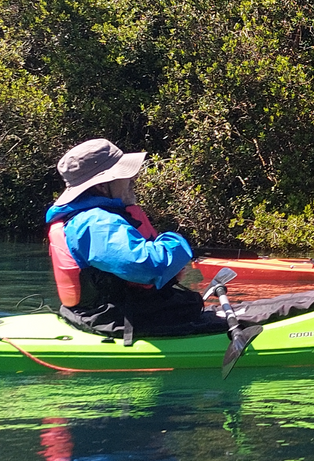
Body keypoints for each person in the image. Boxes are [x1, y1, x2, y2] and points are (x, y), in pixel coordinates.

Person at [45, 138, 256, 352]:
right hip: (120, 321)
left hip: (102, 316)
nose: (131, 179)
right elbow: (148, 266)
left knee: (260, 307)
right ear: (101, 185)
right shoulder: (96, 222)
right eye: (124, 176)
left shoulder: (86, 218)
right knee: (271, 313)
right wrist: (177, 242)